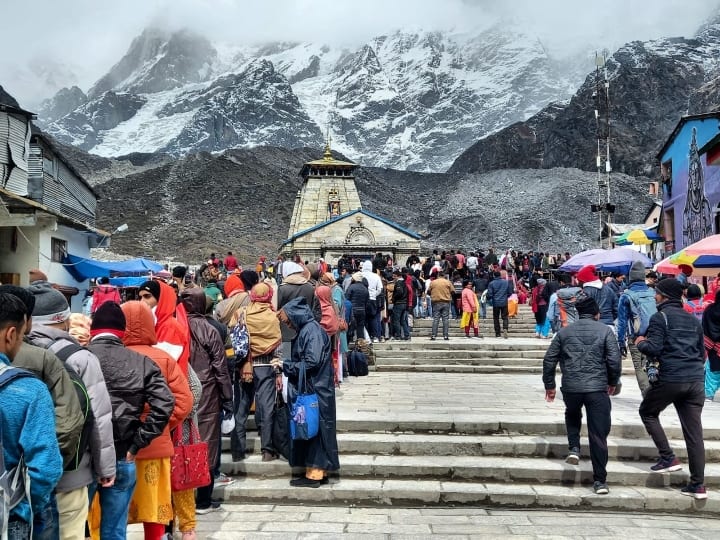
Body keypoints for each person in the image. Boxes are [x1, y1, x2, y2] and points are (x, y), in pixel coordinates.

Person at [87, 302, 175, 538]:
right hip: (123, 451)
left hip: (83, 456)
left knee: (77, 527)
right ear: (122, 332)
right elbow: (165, 404)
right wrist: (138, 442)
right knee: (115, 529)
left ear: (92, 330)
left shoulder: (78, 358)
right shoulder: (142, 362)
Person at [121, 301, 193, 539]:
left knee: (114, 510)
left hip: (116, 447)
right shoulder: (162, 358)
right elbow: (183, 401)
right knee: (154, 511)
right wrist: (160, 426)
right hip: (155, 447)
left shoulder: (110, 355)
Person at [636, 278, 707, 499]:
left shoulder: (660, 318)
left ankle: (668, 457)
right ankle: (698, 485)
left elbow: (654, 347)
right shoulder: (693, 320)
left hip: (672, 378)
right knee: (694, 434)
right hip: (696, 381)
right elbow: (702, 352)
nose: (655, 296)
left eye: (656, 293)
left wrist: (639, 342)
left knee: (647, 412)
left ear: (664, 296)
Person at [0, 293, 63, 540]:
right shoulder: (28, 390)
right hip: (9, 516)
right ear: (11, 334)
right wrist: (25, 506)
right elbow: (46, 468)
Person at [542, 296, 621, 495]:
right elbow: (614, 360)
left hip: (572, 387)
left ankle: (574, 448)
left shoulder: (564, 332)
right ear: (597, 314)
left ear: (578, 313)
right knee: (598, 434)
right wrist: (612, 382)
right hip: (597, 388)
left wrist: (549, 386)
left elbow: (549, 360)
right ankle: (600, 481)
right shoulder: (605, 331)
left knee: (572, 412)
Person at [180, 288, 233, 513]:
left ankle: (181, 495)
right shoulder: (209, 330)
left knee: (183, 442)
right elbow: (221, 368)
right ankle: (203, 500)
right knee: (208, 445)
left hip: (181, 391)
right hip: (208, 393)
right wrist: (228, 398)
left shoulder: (174, 326)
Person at [278, 297, 340, 487]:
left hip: (316, 389)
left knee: (315, 431)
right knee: (315, 430)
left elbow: (311, 362)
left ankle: (315, 474)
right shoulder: (307, 329)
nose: (287, 323)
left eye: (287, 320)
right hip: (315, 388)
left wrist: (285, 364)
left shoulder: (311, 331)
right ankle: (317, 471)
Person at [234, 283, 283, 462]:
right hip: (266, 367)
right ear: (268, 295)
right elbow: (277, 346)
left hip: (244, 367)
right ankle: (267, 450)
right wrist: (278, 372)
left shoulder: (241, 313)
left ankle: (238, 451)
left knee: (241, 408)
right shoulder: (272, 316)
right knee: (267, 408)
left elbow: (234, 338)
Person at [616, 260, 657, 397]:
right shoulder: (653, 292)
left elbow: (622, 322)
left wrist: (621, 342)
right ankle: (656, 390)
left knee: (640, 367)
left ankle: (647, 394)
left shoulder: (626, 295)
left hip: (636, 337)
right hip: (654, 335)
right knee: (654, 362)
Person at [703, 288, 720, 400]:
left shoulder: (709, 309)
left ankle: (709, 395)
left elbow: (704, 326)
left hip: (712, 346)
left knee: (712, 372)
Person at [486, 271, 513, 338]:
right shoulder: (506, 282)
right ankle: (505, 328)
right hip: (504, 302)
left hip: (496, 303)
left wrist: (488, 298)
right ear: (500, 275)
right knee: (505, 317)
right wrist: (505, 297)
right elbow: (510, 292)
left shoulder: (491, 283)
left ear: (494, 276)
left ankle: (498, 333)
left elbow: (489, 294)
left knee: (496, 318)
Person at [428, 272, 454, 340]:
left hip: (436, 302)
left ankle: (433, 335)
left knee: (436, 319)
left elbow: (428, 291)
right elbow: (453, 291)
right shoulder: (448, 282)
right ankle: (445, 335)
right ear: (444, 275)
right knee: (445, 319)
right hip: (446, 302)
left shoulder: (433, 282)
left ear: (438, 275)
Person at [390, 270, 411, 341]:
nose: (393, 278)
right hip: (404, 303)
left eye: (394, 276)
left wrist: (394, 298)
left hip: (398, 304)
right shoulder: (404, 283)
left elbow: (399, 292)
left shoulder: (399, 283)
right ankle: (407, 335)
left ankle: (398, 336)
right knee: (403, 321)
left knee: (396, 320)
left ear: (398, 276)